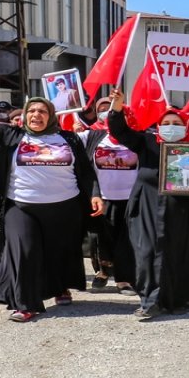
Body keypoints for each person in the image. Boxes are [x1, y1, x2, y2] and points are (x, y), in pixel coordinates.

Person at [0, 73, 102, 322]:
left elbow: (85, 170)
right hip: (20, 206)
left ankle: (60, 287)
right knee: (24, 251)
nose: (36, 115)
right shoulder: (11, 135)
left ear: (51, 116)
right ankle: (25, 304)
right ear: (25, 115)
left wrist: (95, 194)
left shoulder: (69, 139)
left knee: (57, 251)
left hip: (64, 208)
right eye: (32, 111)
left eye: (42, 111)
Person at [106, 88, 189, 318]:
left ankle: (178, 300)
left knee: (181, 254)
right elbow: (120, 131)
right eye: (166, 122)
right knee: (148, 253)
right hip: (148, 208)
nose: (171, 126)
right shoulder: (146, 142)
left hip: (186, 213)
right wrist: (116, 108)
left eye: (176, 123)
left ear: (186, 126)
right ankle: (150, 301)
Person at [80, 99, 137, 294]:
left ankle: (123, 279)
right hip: (100, 197)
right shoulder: (92, 135)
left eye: (114, 111)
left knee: (125, 240)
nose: (109, 114)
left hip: (130, 198)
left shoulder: (135, 137)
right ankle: (102, 272)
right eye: (104, 110)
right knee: (99, 238)